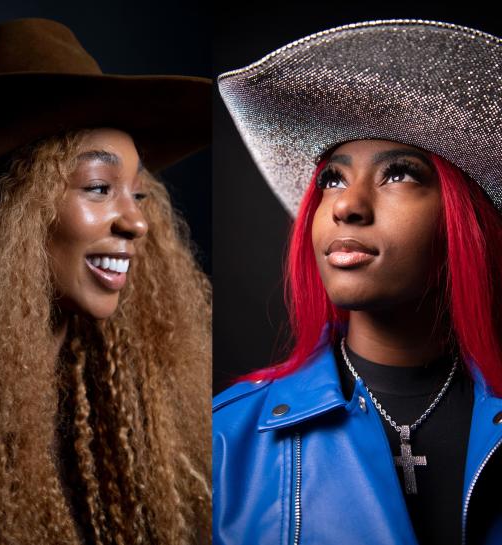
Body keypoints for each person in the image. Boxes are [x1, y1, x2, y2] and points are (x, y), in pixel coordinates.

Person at [0, 18, 212, 544]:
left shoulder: (139, 408)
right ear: (6, 216)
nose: (137, 223)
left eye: (137, 193)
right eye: (98, 187)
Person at [214, 20, 502, 544]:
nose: (346, 205)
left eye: (399, 174)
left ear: (465, 218)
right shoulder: (224, 439)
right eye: (332, 178)